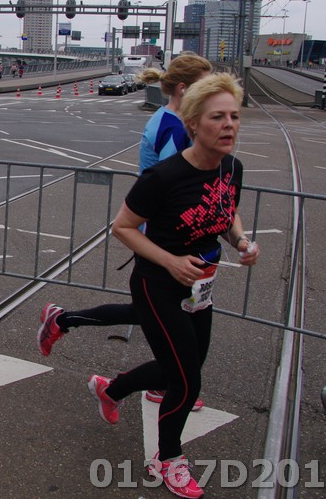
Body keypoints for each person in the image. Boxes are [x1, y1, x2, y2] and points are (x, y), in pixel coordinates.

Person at [85, 72, 259, 498]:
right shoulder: (163, 177)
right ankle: (168, 459)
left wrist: (240, 240)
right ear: (194, 123)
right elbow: (122, 227)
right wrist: (170, 260)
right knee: (186, 382)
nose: (229, 125)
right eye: (218, 117)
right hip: (157, 285)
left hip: (200, 286)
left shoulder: (232, 167)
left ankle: (111, 389)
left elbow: (226, 211)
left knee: (180, 367)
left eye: (234, 116)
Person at [38, 53, 213, 409]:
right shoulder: (173, 128)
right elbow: (172, 183)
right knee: (167, 325)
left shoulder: (172, 120)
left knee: (152, 314)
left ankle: (65, 322)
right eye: (206, 87)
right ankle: (142, 387)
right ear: (184, 89)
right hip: (166, 240)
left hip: (172, 238)